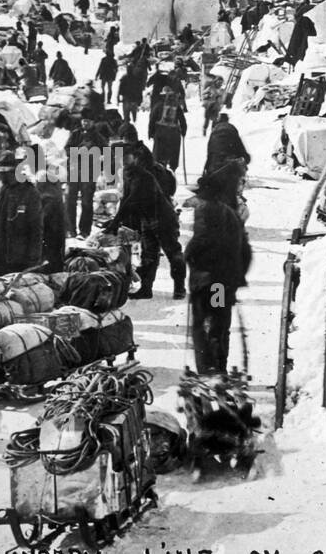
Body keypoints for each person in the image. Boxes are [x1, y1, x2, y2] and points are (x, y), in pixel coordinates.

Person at [184, 162, 252, 373]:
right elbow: (246, 251)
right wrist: (235, 276)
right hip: (222, 284)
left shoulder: (206, 210)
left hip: (207, 281)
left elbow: (201, 241)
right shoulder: (230, 213)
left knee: (202, 326)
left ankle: (207, 371)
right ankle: (219, 368)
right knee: (219, 324)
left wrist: (189, 256)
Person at [107, 142, 184, 300]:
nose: (123, 160)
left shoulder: (143, 176)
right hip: (147, 219)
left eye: (126, 157)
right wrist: (118, 222)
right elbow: (126, 199)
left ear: (135, 157)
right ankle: (146, 289)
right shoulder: (127, 173)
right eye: (120, 158)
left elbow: (132, 199)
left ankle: (179, 288)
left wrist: (116, 222)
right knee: (149, 254)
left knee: (172, 252)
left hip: (163, 218)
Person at [0, 152, 43, 278]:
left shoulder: (30, 193)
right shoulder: (2, 191)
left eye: (3, 172)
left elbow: (36, 229)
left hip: (17, 258)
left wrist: (34, 258)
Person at [65, 116, 108, 239]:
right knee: (70, 201)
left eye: (88, 121)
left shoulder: (97, 136)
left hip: (89, 172)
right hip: (74, 170)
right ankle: (70, 230)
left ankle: (84, 231)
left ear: (92, 122)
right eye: (84, 121)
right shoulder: (75, 134)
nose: (85, 123)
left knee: (87, 202)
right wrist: (77, 152)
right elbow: (67, 148)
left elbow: (107, 152)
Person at [149, 85, 187, 171]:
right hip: (174, 134)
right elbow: (182, 120)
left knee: (159, 155)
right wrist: (183, 131)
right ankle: (173, 169)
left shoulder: (158, 106)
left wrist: (151, 133)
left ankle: (161, 169)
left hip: (160, 133)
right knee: (173, 153)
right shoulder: (177, 107)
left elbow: (152, 119)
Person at [37, 171, 67, 272]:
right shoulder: (56, 197)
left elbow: (43, 221)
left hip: (49, 239)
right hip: (56, 239)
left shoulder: (48, 200)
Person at [285, 4, 316, 70]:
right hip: (306, 50)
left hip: (302, 51)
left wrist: (290, 53)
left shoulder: (302, 20)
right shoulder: (305, 20)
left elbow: (295, 38)